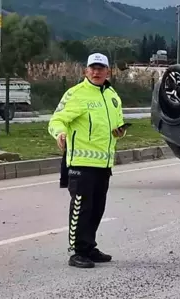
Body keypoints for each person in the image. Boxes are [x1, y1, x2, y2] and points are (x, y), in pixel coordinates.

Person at [48, 53, 127, 269]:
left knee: (97, 208)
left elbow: (116, 125)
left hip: (104, 163)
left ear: (108, 71)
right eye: (92, 68)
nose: (96, 72)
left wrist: (120, 132)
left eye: (101, 68)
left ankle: (89, 246)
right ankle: (77, 251)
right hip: (81, 162)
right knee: (81, 208)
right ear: (85, 71)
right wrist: (60, 134)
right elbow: (57, 119)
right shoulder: (76, 94)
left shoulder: (112, 96)